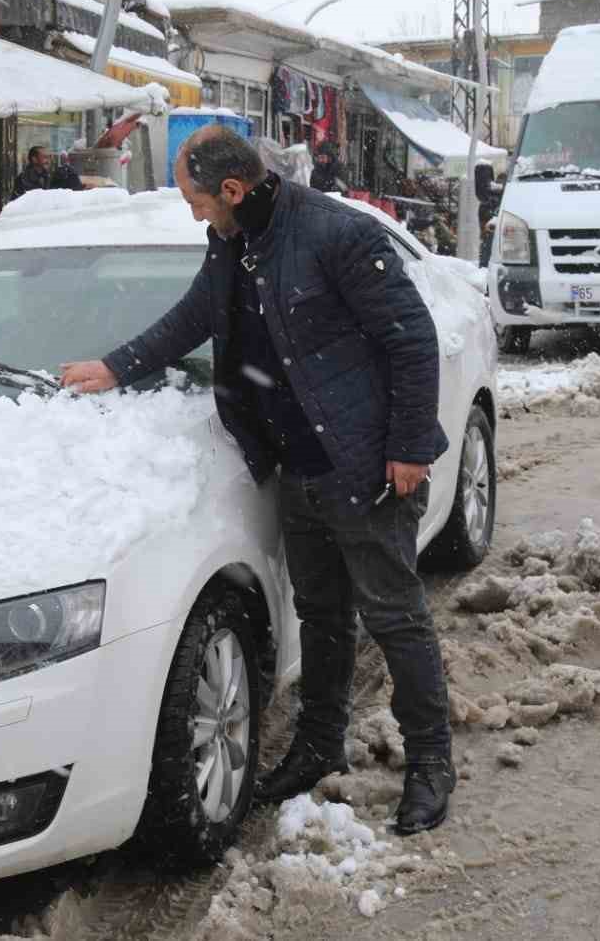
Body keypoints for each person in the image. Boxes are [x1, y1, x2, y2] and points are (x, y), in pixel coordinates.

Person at [60, 127, 456, 835]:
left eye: (195, 199)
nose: (192, 212)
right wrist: (117, 365)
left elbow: (411, 338)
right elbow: (196, 315)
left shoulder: (336, 235)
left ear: (234, 191)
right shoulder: (233, 239)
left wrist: (407, 448)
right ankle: (317, 745)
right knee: (321, 616)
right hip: (297, 467)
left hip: (361, 464)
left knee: (396, 617)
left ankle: (431, 762)